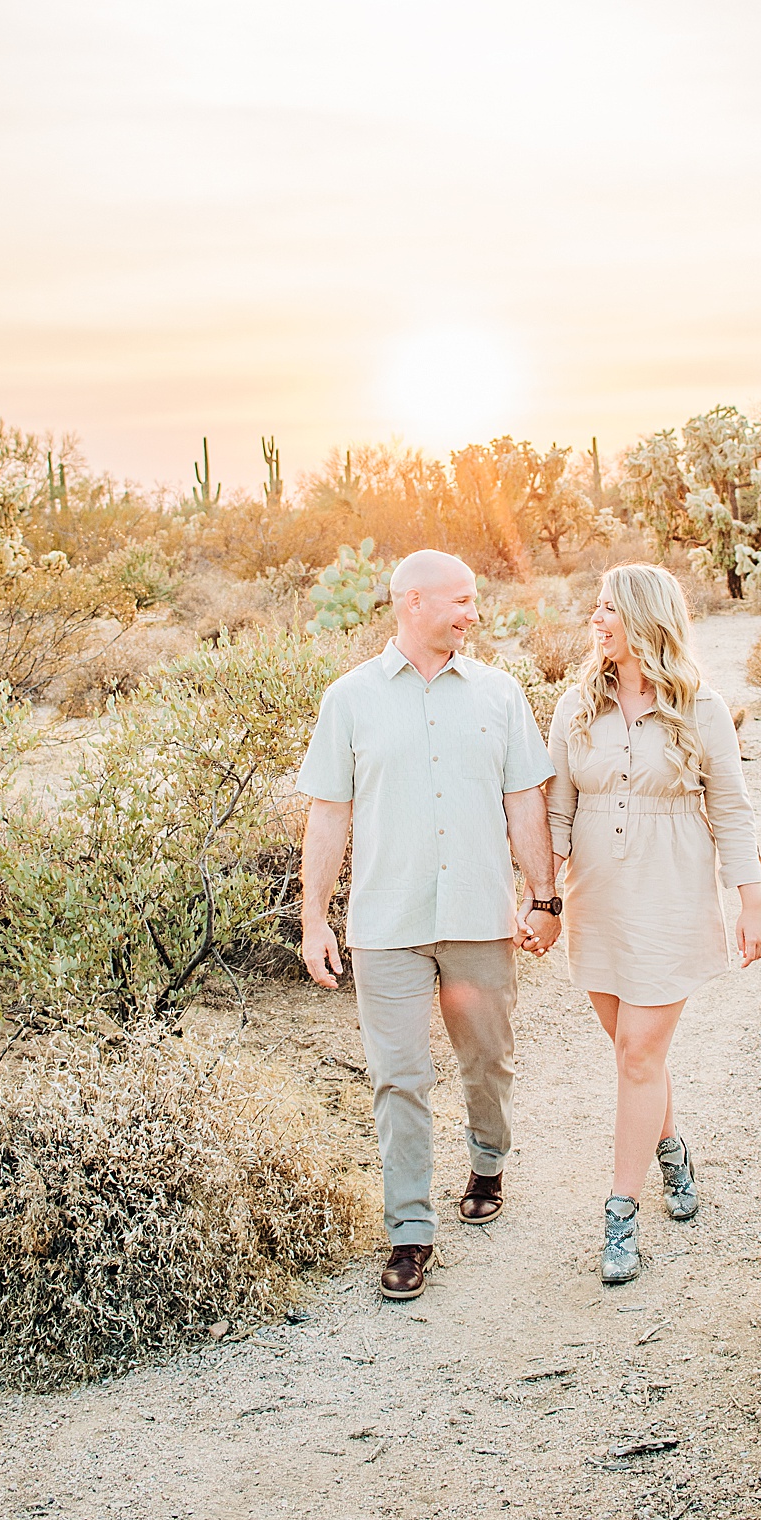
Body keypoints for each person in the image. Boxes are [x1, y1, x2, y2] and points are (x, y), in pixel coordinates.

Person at [298, 549, 561, 1302]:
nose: (473, 614)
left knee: (487, 1059)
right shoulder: (348, 700)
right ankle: (410, 1231)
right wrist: (315, 916)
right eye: (461, 600)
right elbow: (328, 814)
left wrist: (544, 897)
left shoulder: (500, 694)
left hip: (479, 913)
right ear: (412, 603)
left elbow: (524, 802)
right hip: (388, 923)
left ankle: (488, 1157)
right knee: (399, 1077)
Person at [545, 563, 761, 1285]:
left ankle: (620, 1216)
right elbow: (555, 813)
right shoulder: (575, 707)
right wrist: (540, 896)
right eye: (595, 607)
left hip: (671, 896)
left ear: (645, 618)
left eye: (609, 608)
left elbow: (730, 808)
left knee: (639, 1053)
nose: (596, 620)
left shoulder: (701, 707)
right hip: (597, 900)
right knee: (632, 1049)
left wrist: (749, 899)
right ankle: (673, 1149)